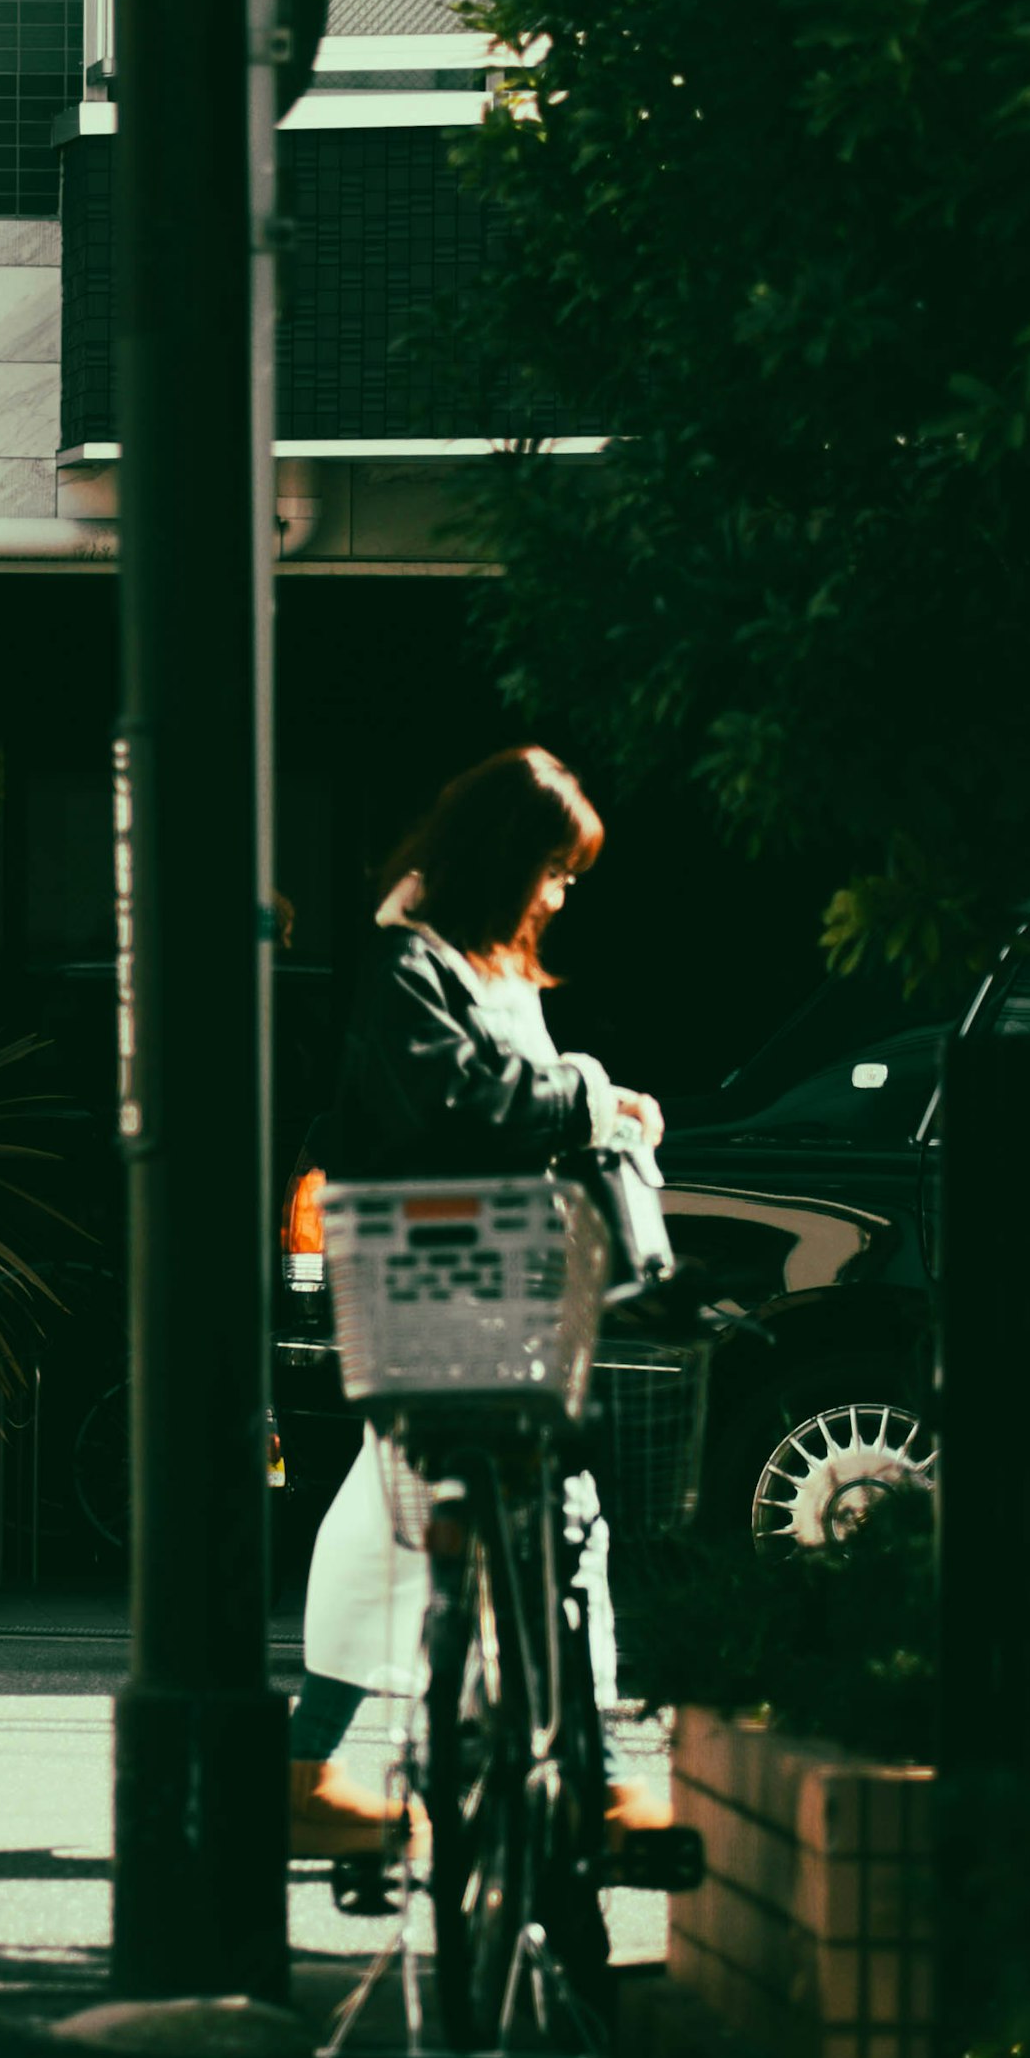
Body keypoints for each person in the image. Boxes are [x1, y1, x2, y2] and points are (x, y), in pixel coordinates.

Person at [294, 746, 663, 1857]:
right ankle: (580, 1779)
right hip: (447, 1291)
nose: (560, 893)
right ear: (508, 861)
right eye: (554, 868)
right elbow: (462, 1099)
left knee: (400, 1515)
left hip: (488, 1292)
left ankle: (312, 1775)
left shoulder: (458, 961)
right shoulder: (415, 963)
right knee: (547, 1518)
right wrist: (595, 1096)